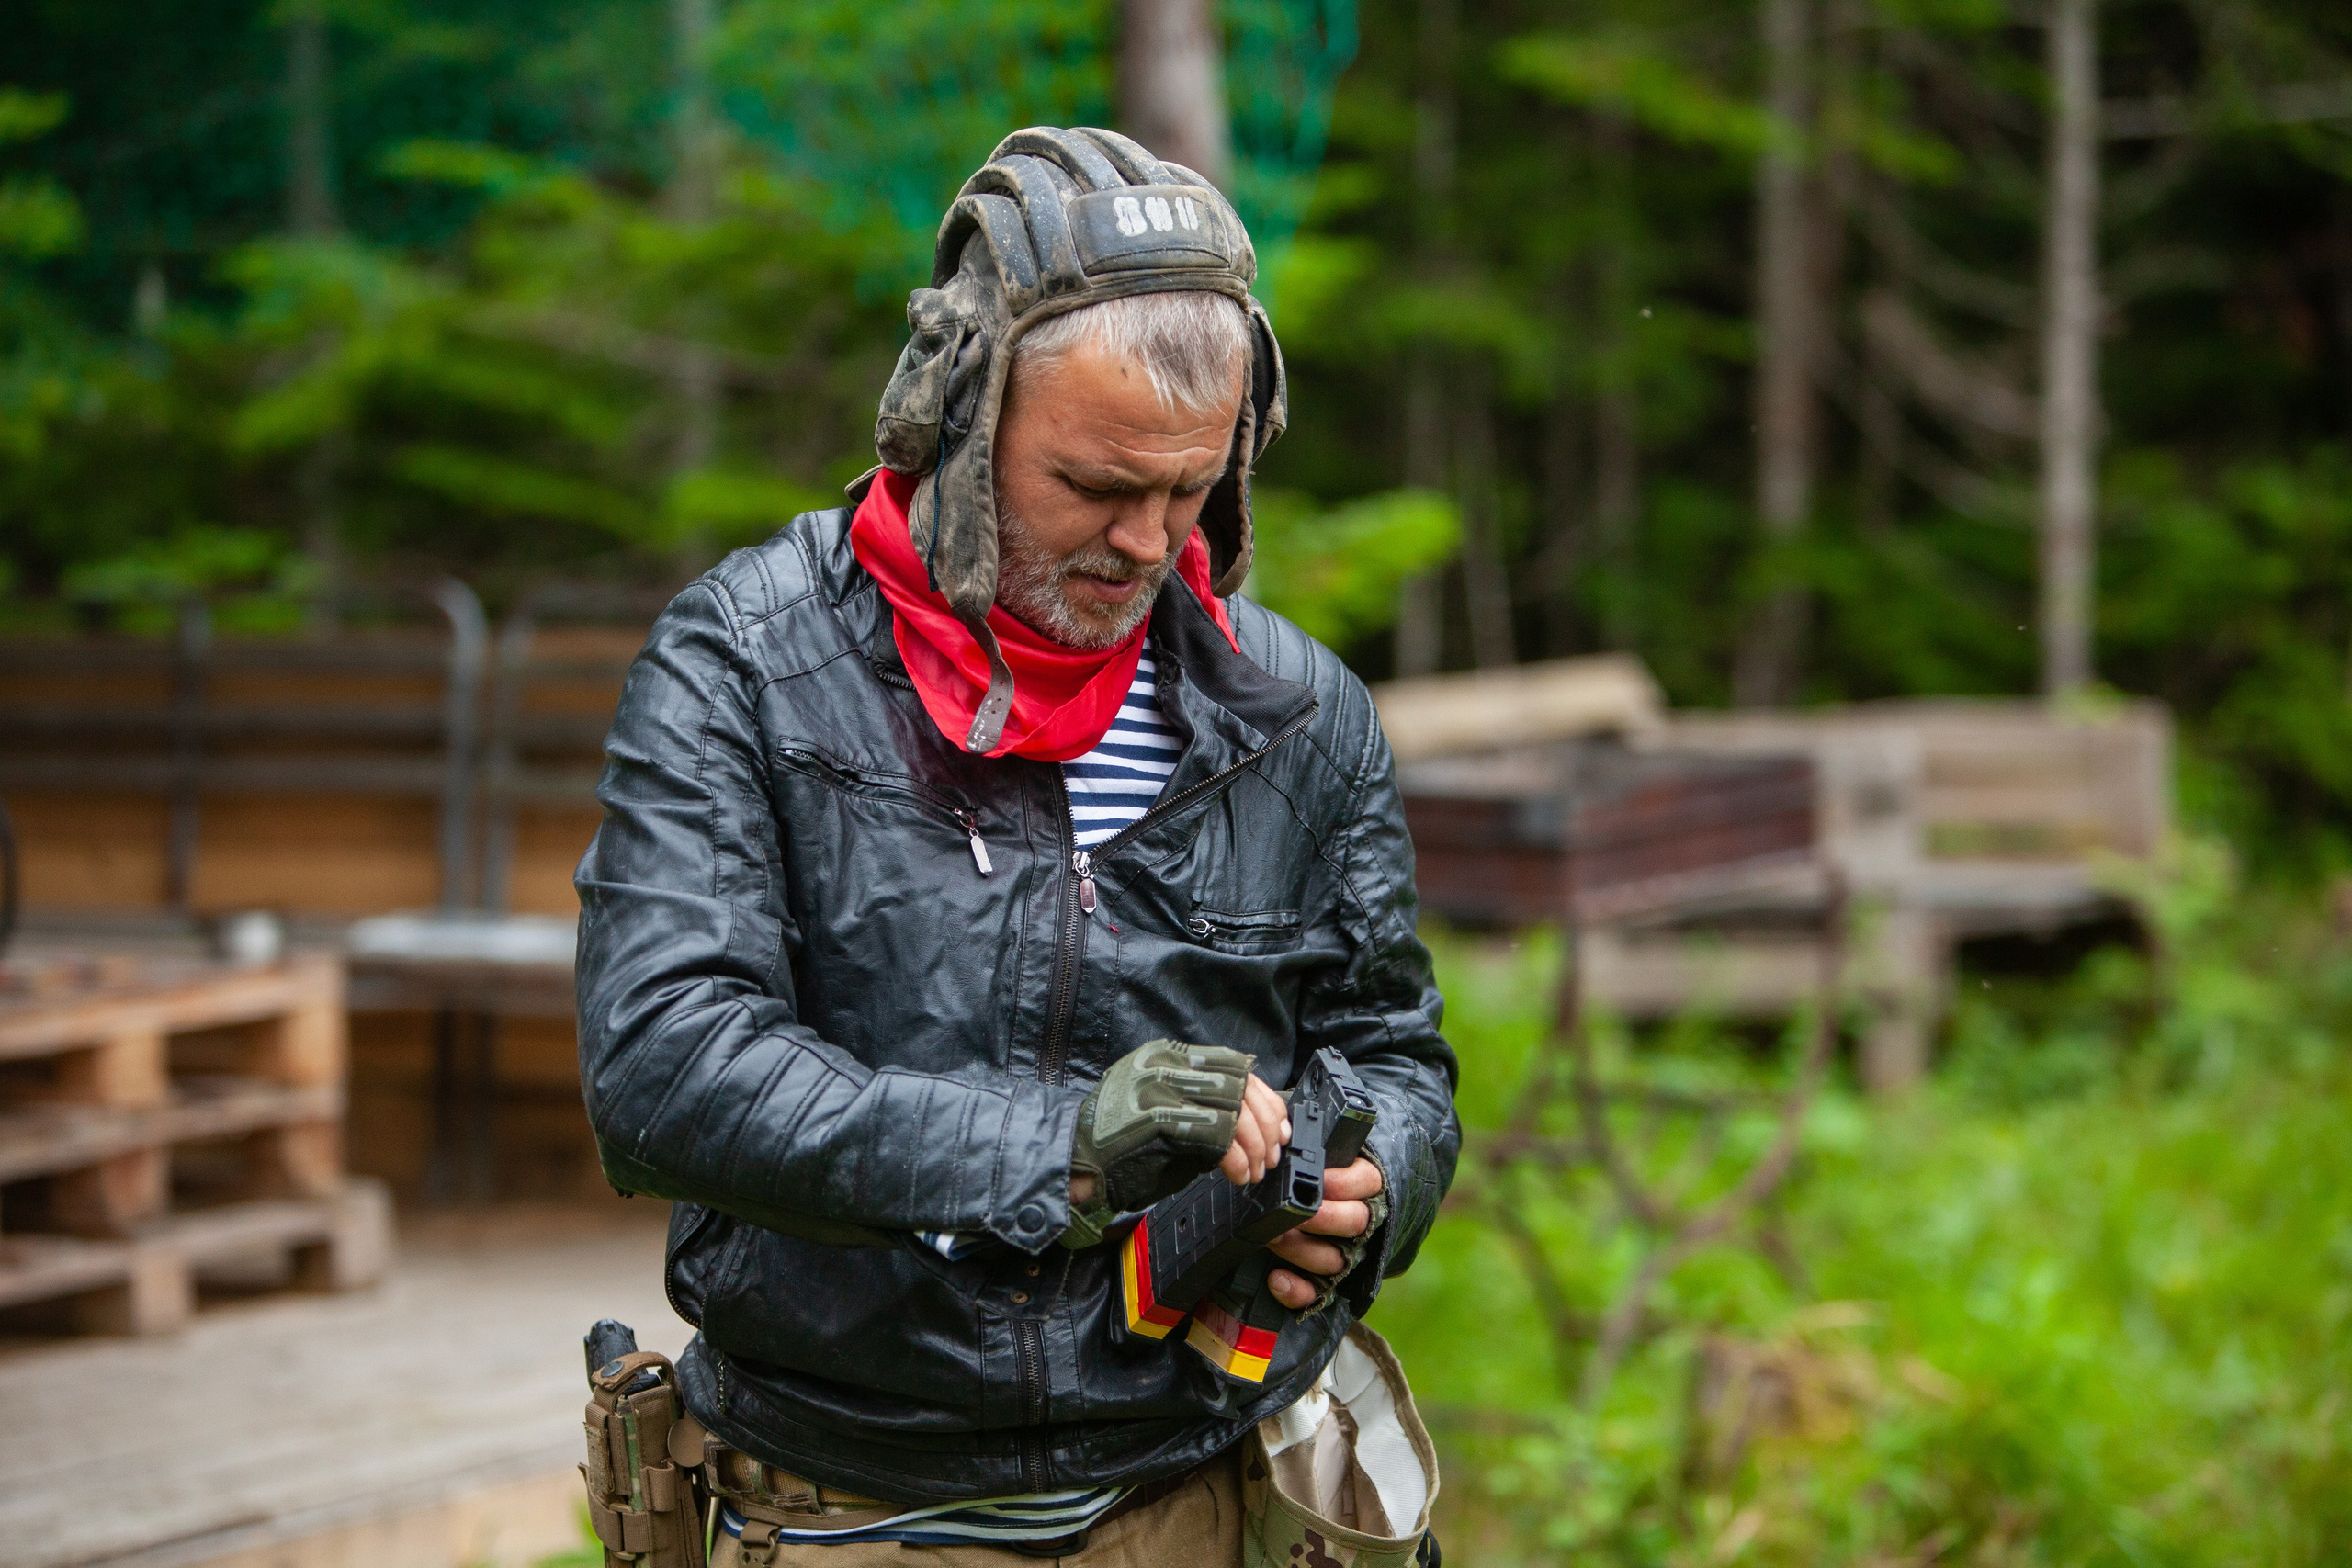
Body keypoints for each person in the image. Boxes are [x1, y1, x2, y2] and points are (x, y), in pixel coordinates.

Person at [576, 126, 1460, 1565]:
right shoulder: (741, 664)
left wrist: (1369, 1191)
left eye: (1188, 492)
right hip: (843, 1509)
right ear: (953, 417)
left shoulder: (1297, 717)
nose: (1146, 542)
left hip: (1200, 1497)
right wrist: (1064, 1151)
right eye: (1096, 486)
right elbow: (664, 1068)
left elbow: (1396, 1053)